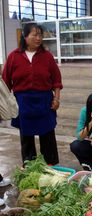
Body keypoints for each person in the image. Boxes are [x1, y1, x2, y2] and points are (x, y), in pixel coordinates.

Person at [2, 23, 63, 166]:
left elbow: (56, 80)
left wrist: (57, 98)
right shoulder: (13, 56)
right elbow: (5, 83)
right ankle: (30, 166)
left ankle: (51, 166)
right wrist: (6, 103)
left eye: (40, 35)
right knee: (26, 137)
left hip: (44, 101)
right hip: (23, 103)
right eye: (34, 35)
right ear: (25, 36)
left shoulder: (47, 56)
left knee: (47, 135)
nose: (38, 38)